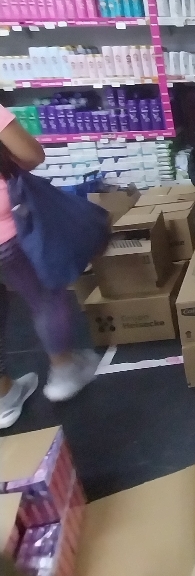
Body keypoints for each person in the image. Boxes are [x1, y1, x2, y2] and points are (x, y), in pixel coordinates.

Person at [0, 104, 98, 429]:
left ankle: (4, 397)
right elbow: (31, 155)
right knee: (45, 296)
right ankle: (64, 371)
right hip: (7, 230)